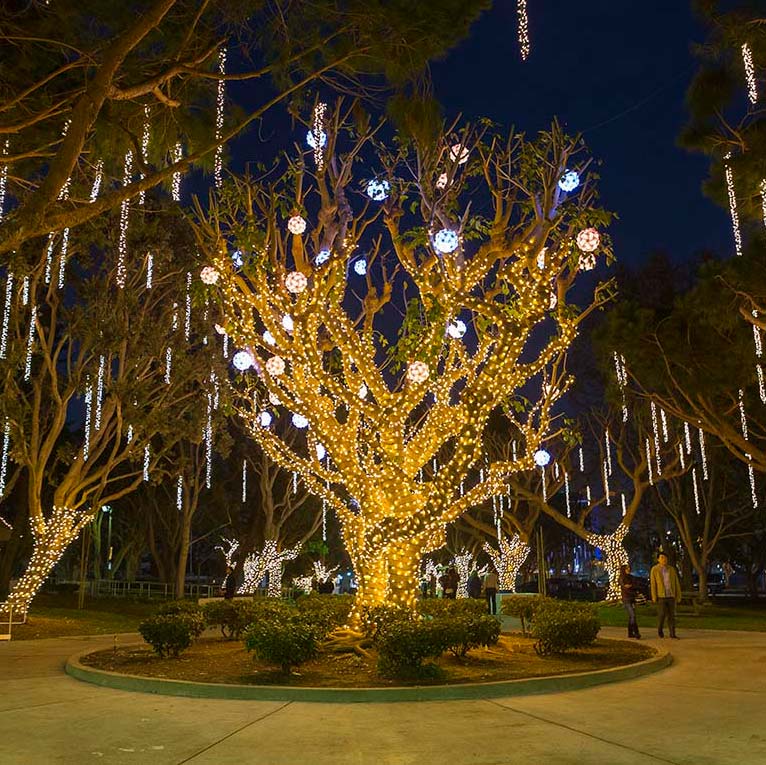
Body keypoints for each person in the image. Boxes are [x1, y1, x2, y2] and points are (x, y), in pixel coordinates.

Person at [650, 552, 682, 639]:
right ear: (658, 559)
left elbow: (676, 583)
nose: (664, 559)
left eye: (665, 558)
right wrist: (654, 596)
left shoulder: (671, 569)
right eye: (662, 557)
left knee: (671, 615)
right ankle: (660, 629)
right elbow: (653, 584)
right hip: (661, 596)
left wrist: (678, 595)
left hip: (671, 595)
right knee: (662, 614)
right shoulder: (655, 569)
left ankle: (672, 633)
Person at [619, 563, 641, 639]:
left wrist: (632, 587)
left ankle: (630, 633)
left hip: (632, 599)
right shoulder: (621, 578)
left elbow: (635, 585)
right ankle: (636, 632)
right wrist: (632, 589)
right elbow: (625, 588)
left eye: (629, 568)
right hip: (626, 599)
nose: (628, 569)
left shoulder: (631, 577)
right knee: (633, 615)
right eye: (626, 568)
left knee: (631, 616)